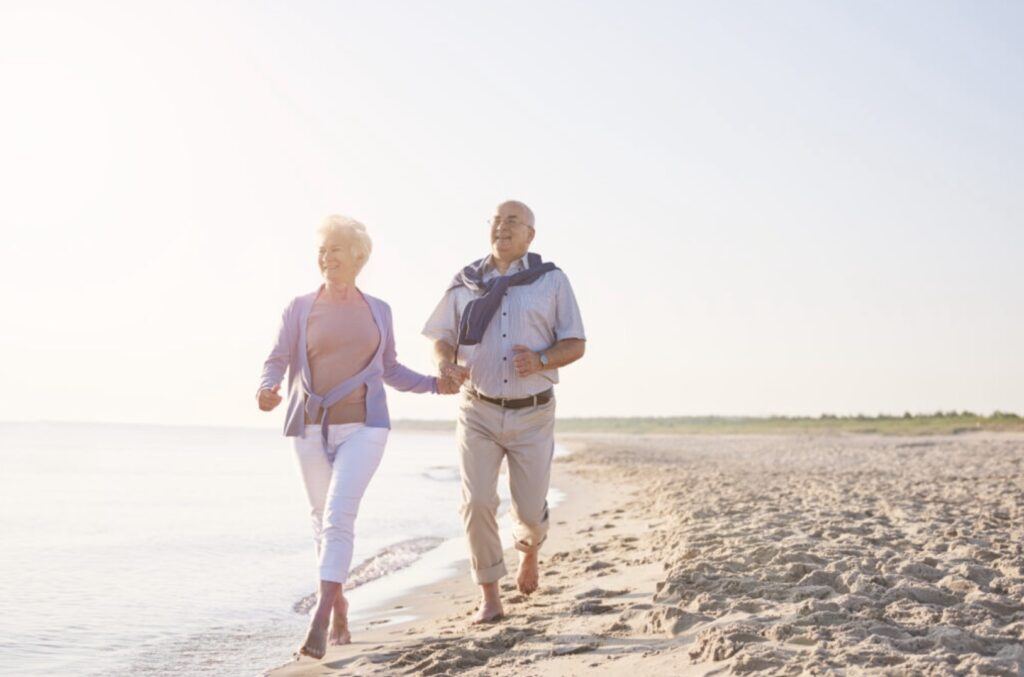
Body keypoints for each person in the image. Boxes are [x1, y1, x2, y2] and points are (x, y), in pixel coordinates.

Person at [257, 215, 459, 659]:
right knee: (320, 519)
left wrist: (433, 384)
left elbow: (389, 369)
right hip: (307, 426)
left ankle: (320, 617)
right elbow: (277, 358)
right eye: (321, 250)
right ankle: (341, 602)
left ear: (358, 257)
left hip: (365, 428)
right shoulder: (299, 307)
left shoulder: (379, 310)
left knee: (337, 517)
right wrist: (267, 387)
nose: (326, 258)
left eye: (335, 250)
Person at [423, 199, 586, 622]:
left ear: (530, 234)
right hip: (477, 409)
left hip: (532, 413)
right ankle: (490, 598)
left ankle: (529, 549)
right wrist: (444, 363)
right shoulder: (465, 281)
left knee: (529, 512)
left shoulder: (551, 280)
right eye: (496, 221)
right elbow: (441, 335)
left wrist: (542, 360)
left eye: (513, 221)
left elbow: (576, 343)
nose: (503, 228)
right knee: (476, 501)